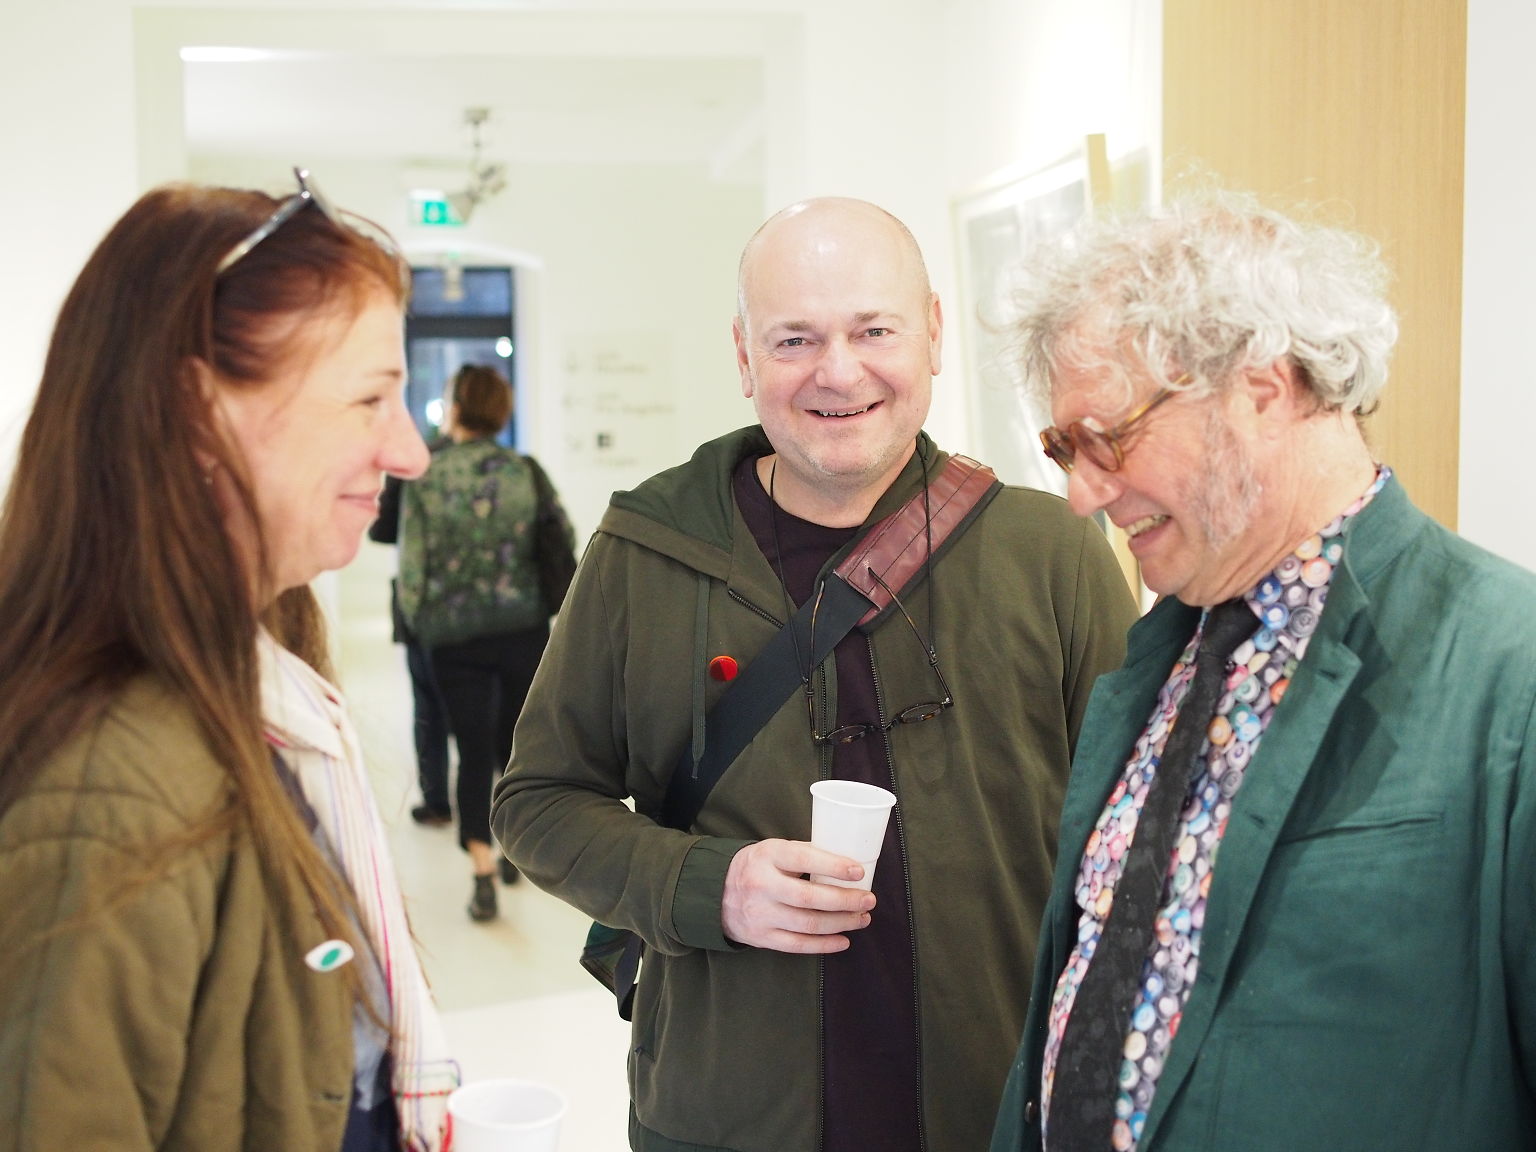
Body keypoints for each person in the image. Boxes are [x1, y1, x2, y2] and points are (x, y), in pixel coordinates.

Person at [492, 196, 1139, 1152]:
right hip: (725, 1115)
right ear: (744, 356)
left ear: (933, 335)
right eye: (795, 339)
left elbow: (1137, 845)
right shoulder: (646, 552)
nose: (839, 372)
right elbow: (538, 803)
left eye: (874, 330)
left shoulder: (1052, 554)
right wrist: (709, 886)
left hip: (994, 1110)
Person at [989, 191, 1536, 1152]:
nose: (1081, 495)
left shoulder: (1508, 668)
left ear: (1263, 388)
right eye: (1062, 449)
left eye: (1105, 437)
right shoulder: (1160, 657)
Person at [0, 169, 459, 1151]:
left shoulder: (268, 668)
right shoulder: (110, 795)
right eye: (370, 398)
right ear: (200, 412)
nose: (411, 452)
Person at [397, 363, 575, 923]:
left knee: (471, 751)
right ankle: (512, 849)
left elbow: (412, 567)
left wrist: (420, 624)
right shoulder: (524, 471)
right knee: (515, 748)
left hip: (452, 638)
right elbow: (563, 540)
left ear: (455, 408)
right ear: (501, 410)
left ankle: (481, 872)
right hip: (522, 630)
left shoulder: (427, 476)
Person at [369, 442, 455, 828]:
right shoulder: (510, 468)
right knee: (488, 707)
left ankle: (436, 800)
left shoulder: (417, 465)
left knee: (428, 707)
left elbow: (382, 530)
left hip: (427, 610)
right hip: (494, 615)